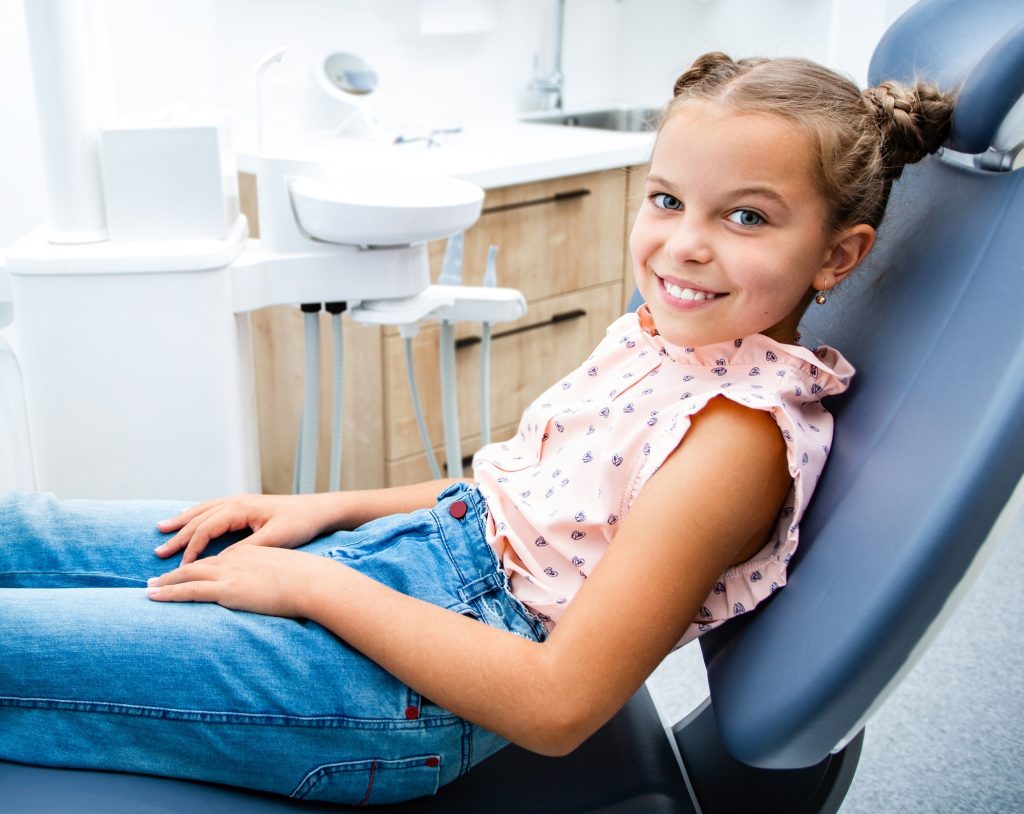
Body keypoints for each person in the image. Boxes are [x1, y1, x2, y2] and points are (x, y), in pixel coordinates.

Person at [0, 52, 955, 805]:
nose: (684, 244)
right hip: (405, 563)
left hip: (407, 697)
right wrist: (316, 510)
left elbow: (558, 705)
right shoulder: (666, 338)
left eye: (745, 216)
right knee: (26, 532)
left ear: (838, 255)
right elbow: (514, 493)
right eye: (667, 200)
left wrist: (310, 584)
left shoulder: (733, 442)